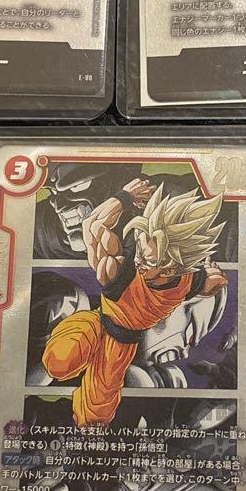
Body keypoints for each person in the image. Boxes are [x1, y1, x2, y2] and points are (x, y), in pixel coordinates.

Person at [42, 179, 227, 427]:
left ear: (172, 267)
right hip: (94, 324)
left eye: (149, 261)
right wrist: (124, 197)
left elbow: (211, 284)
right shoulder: (121, 271)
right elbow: (92, 226)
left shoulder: (188, 279)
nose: (139, 262)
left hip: (120, 346)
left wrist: (216, 282)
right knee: (58, 363)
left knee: (94, 416)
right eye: (140, 251)